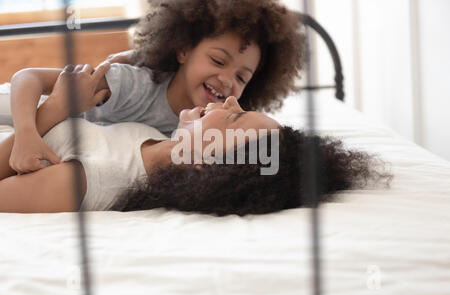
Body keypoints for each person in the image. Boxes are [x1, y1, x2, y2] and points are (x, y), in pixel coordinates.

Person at [0, 67, 392, 215]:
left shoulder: (93, 180)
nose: (233, 98)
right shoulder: (150, 135)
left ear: (207, 167)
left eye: (235, 116)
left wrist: (53, 112)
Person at [8, 0, 306, 175]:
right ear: (183, 50)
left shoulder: (207, 133)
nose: (228, 81)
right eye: (217, 60)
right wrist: (25, 134)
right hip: (17, 114)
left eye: (242, 78)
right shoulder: (135, 85)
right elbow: (28, 77)